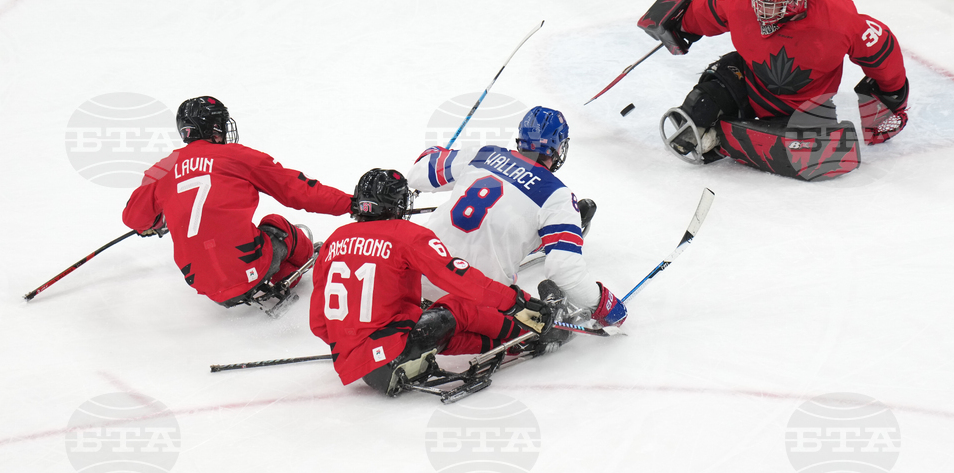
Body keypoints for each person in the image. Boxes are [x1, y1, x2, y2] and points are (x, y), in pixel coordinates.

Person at [641, 0, 909, 173]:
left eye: (768, 8)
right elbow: (708, 8)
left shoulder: (839, 19)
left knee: (822, 156)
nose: (759, 13)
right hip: (749, 84)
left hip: (805, 107)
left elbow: (883, 52)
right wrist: (678, 22)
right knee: (697, 110)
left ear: (793, 4)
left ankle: (726, 137)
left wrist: (892, 94)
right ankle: (731, 135)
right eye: (758, 4)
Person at [309, 168, 556, 395]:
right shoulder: (405, 235)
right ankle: (534, 330)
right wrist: (516, 302)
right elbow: (461, 280)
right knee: (458, 306)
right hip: (396, 352)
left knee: (444, 334)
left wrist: (357, 344)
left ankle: (513, 344)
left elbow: (319, 324)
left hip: (366, 370)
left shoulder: (333, 241)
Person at [407, 106, 628, 329]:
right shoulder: (558, 197)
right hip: (471, 303)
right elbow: (565, 272)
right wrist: (605, 306)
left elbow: (417, 174)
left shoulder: (484, 154)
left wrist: (435, 153)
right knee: (543, 320)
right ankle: (551, 237)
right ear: (559, 148)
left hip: (416, 280)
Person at [122, 96, 352, 307]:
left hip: (201, 281)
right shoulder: (237, 156)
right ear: (214, 128)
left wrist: (155, 224)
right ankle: (299, 266)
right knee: (278, 226)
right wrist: (352, 204)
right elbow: (300, 190)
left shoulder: (162, 169)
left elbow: (135, 218)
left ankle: (257, 282)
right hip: (247, 266)